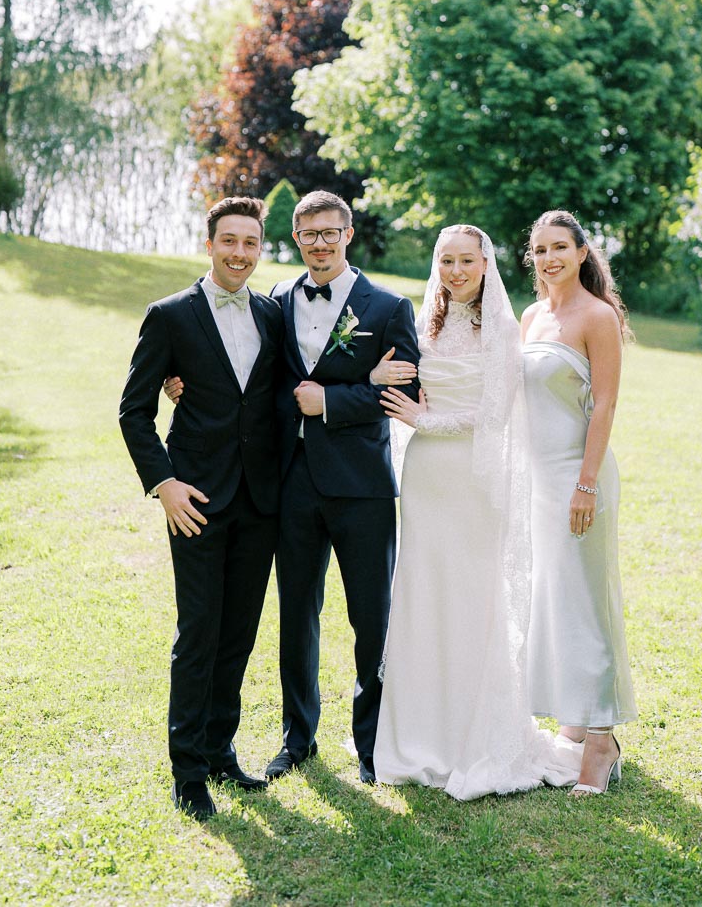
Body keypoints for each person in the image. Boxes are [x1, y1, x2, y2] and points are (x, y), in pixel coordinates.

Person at [372, 225, 583, 799]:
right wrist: (378, 382)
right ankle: (415, 733)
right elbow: (397, 375)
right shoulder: (424, 322)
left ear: (486, 266)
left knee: (470, 594)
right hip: (424, 480)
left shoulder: (503, 328)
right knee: (423, 591)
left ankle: (472, 735)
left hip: (470, 480)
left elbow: (494, 414)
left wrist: (424, 421)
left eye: (467, 260)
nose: (457, 271)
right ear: (436, 265)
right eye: (447, 260)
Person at [118, 196, 283, 822]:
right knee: (198, 635)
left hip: (258, 501)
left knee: (238, 634)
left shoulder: (271, 314)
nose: (240, 252)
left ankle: (219, 750)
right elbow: (135, 411)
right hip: (194, 500)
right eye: (229, 241)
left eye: (251, 242)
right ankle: (187, 774)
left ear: (260, 247)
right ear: (209, 243)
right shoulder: (170, 317)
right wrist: (164, 484)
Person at [266, 190, 420, 784]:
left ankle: (373, 747)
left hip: (362, 488)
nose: (320, 243)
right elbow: (264, 383)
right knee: (296, 613)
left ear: (348, 233)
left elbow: (403, 394)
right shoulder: (277, 300)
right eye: (309, 234)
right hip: (293, 483)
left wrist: (333, 398)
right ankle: (297, 738)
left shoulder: (387, 307)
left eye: (331, 232)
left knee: (372, 619)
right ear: (297, 238)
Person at [521, 209, 637, 797]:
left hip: (578, 476)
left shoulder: (598, 316)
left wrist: (586, 483)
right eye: (540, 250)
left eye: (560, 247)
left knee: (588, 602)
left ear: (582, 252)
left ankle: (601, 739)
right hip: (536, 483)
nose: (549, 259)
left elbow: (606, 406)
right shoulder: (532, 316)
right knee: (553, 598)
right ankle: (572, 713)